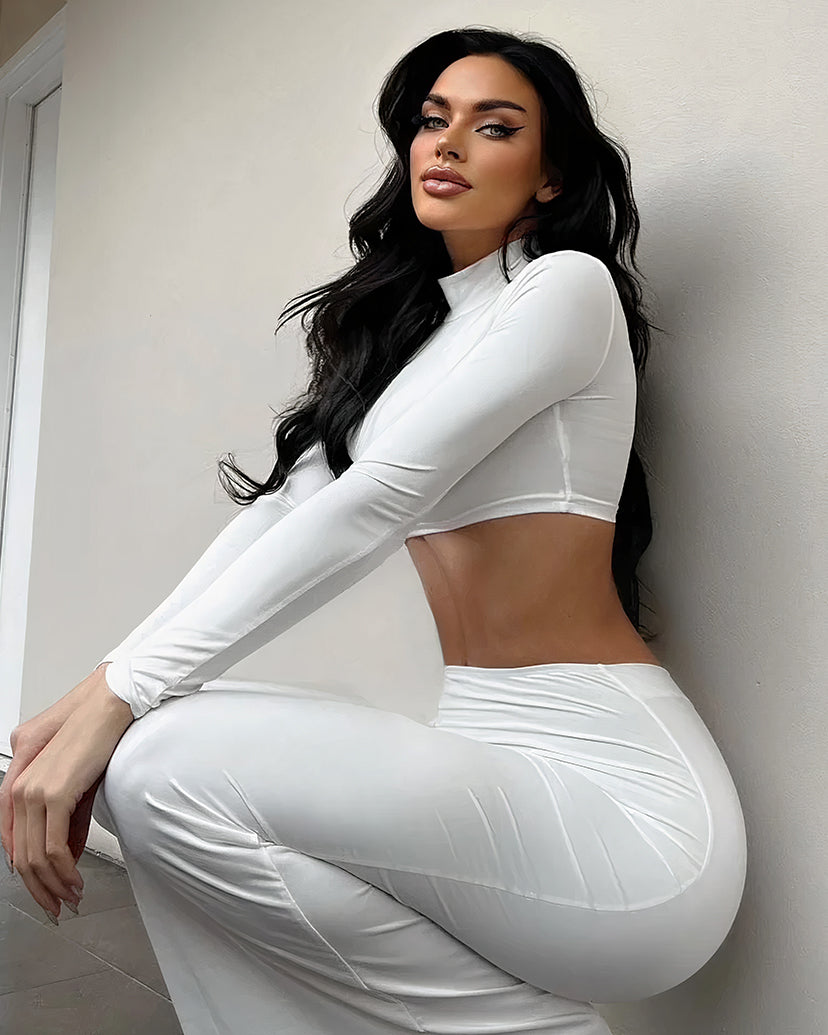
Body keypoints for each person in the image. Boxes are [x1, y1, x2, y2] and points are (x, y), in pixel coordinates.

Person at [1, 27, 747, 1035]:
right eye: (434, 120)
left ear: (550, 175)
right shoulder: (415, 337)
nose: (450, 142)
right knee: (150, 753)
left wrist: (121, 695)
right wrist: (102, 689)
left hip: (624, 813)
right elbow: (284, 513)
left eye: (495, 127)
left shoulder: (565, 289)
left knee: (159, 762)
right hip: (493, 757)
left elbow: (375, 502)